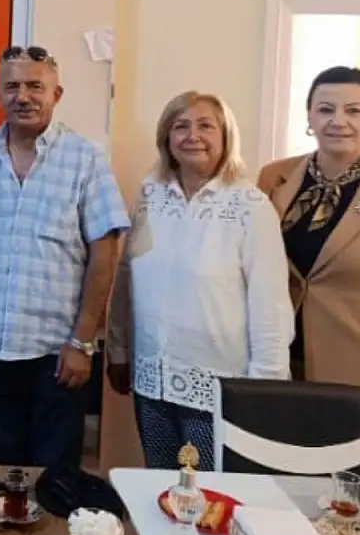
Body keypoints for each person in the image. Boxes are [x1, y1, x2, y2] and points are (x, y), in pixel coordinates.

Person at [0, 45, 130, 470]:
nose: (23, 96)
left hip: (58, 350)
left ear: (57, 94)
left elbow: (105, 252)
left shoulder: (85, 158)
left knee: (56, 469)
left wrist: (83, 342)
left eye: (35, 86)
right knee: (8, 462)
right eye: (12, 87)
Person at [106, 91, 293, 469]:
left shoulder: (250, 207)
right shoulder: (150, 196)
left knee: (210, 494)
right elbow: (127, 276)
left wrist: (264, 390)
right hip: (152, 381)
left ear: (225, 136)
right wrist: (118, 349)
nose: (193, 136)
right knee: (163, 487)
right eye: (181, 126)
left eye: (205, 126)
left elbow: (270, 305)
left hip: (220, 389)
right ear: (166, 138)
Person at [258, 66, 360, 480]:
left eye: (353, 110)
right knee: (277, 493)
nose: (338, 120)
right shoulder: (275, 177)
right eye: (325, 109)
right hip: (280, 366)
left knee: (352, 501)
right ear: (309, 117)